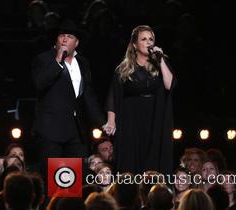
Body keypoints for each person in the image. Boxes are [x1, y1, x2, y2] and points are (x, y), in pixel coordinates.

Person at [32, 18, 105, 174]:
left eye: (70, 36)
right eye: (62, 35)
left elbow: (88, 96)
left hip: (76, 130)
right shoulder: (44, 59)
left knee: (74, 180)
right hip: (51, 131)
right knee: (52, 179)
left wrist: (102, 123)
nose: (65, 39)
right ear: (56, 39)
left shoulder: (83, 62)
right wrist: (58, 60)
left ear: (76, 42)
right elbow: (40, 83)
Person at [103, 25, 175, 174]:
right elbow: (113, 95)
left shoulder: (160, 64)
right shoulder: (123, 69)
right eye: (144, 39)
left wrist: (160, 60)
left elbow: (169, 85)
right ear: (135, 44)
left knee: (152, 160)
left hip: (154, 118)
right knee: (131, 162)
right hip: (130, 120)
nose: (149, 42)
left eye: (151, 39)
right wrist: (111, 120)